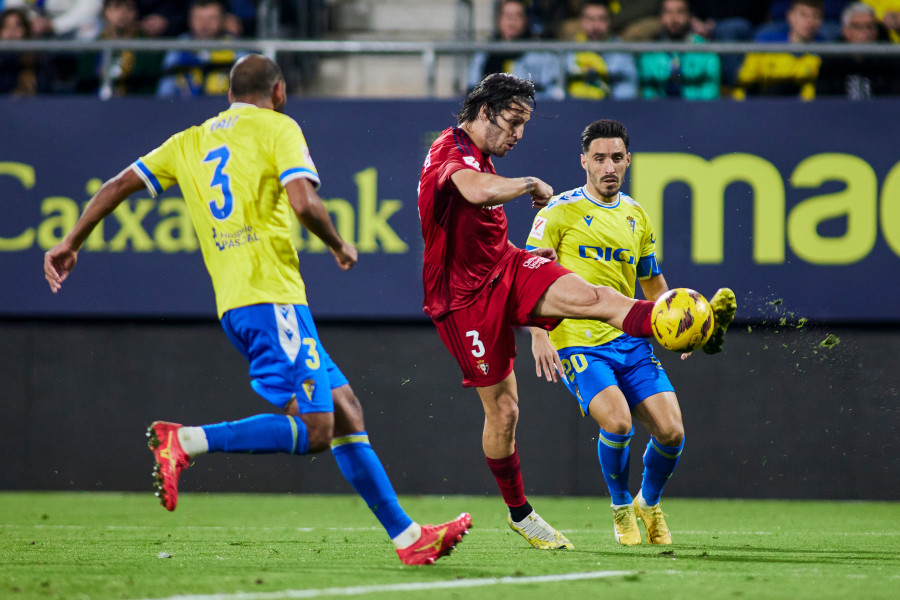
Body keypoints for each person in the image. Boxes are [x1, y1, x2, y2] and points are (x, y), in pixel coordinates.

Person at [44, 54, 472, 566]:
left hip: (243, 304)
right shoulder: (277, 127)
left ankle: (408, 538)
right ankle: (185, 440)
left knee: (345, 411)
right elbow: (303, 202)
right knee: (316, 429)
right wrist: (338, 244)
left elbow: (116, 186)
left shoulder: (189, 140)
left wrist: (71, 241)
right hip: (271, 299)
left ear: (229, 93)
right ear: (279, 92)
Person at [417, 72, 735, 550]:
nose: (520, 134)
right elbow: (476, 191)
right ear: (485, 112)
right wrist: (528, 183)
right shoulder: (451, 150)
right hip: (462, 298)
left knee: (594, 299)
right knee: (504, 411)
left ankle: (688, 325)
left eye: (524, 123)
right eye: (514, 121)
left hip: (506, 265)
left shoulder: (482, 154)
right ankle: (521, 515)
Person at [525, 119, 733, 545]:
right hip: (577, 339)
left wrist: (679, 327)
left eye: (616, 158)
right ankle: (621, 506)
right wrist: (537, 334)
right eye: (599, 158)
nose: (608, 167)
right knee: (618, 423)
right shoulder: (558, 211)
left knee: (672, 431)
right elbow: (527, 275)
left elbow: (653, 284)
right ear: (583, 161)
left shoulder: (637, 215)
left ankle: (648, 503)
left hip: (630, 340)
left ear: (628, 161)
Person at [467, 0, 564, 100]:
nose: (512, 20)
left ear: (526, 20)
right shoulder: (484, 55)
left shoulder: (542, 54)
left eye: (518, 15)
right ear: (499, 20)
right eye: (507, 15)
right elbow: (472, 91)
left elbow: (554, 92)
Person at [734, 0, 825, 100]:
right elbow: (743, 85)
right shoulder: (766, 45)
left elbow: (810, 96)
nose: (810, 21)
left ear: (821, 21)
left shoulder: (827, 54)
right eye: (803, 15)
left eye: (815, 16)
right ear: (790, 16)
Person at [156, 0, 245, 98]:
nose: (205, 24)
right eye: (199, 18)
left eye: (212, 18)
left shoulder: (235, 46)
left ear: (223, 20)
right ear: (189, 20)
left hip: (224, 107)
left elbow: (246, 89)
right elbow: (165, 91)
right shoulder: (179, 46)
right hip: (184, 107)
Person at [76, 0, 163, 98]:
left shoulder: (147, 49)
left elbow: (148, 90)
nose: (122, 13)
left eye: (129, 8)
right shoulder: (93, 49)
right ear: (106, 11)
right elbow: (83, 89)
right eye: (117, 7)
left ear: (136, 13)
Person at [637, 0, 721, 99]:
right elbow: (648, 96)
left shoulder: (705, 52)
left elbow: (710, 95)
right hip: (659, 111)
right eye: (668, 12)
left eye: (680, 12)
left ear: (689, 16)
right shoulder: (649, 54)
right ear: (660, 17)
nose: (674, 18)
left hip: (695, 110)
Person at [817, 2, 900, 97]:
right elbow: (824, 100)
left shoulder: (890, 59)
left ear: (876, 31)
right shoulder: (832, 61)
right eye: (858, 27)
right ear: (846, 31)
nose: (866, 32)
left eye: (870, 27)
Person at [566, 0, 639, 100]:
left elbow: (628, 91)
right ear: (582, 21)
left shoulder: (621, 51)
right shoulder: (569, 50)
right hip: (574, 109)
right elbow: (557, 90)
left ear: (609, 21)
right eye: (590, 19)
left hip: (610, 110)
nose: (596, 26)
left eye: (602, 19)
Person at [0, 7, 50, 95]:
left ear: (26, 30)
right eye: (6, 27)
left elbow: (44, 90)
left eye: (17, 26)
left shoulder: (38, 61)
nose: (12, 31)